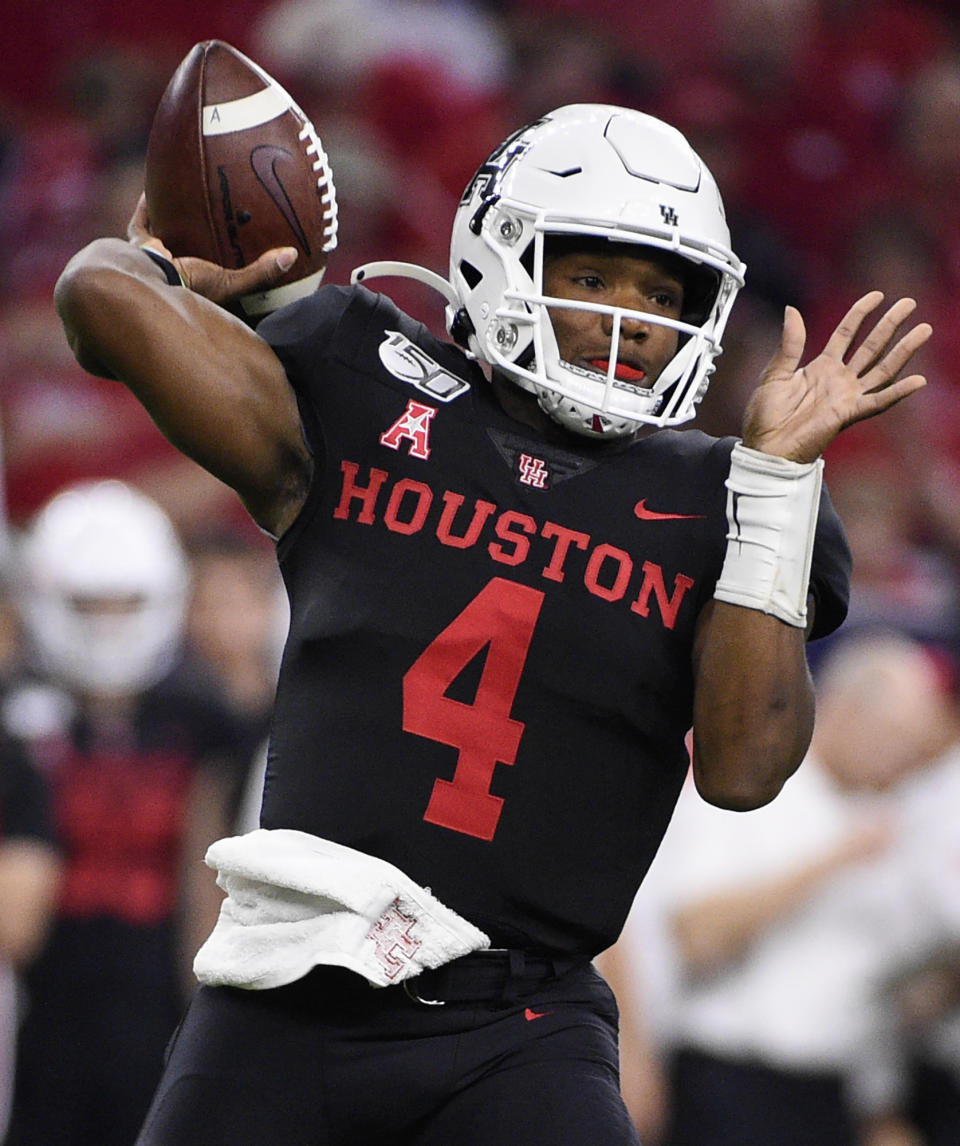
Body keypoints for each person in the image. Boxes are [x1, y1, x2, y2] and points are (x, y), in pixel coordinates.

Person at [52, 103, 929, 1145]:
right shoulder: (367, 382)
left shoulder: (726, 496)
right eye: (593, 276)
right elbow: (99, 299)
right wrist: (158, 267)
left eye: (662, 292)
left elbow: (745, 770)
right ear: (501, 253)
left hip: (522, 1025)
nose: (632, 316)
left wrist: (778, 487)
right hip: (289, 996)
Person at [606, 631, 959, 1146]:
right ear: (839, 709)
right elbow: (695, 936)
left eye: (909, 748)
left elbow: (884, 986)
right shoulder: (744, 791)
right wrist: (831, 862)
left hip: (834, 1088)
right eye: (890, 739)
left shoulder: (890, 820)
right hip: (730, 1077)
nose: (895, 762)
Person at [6, 480, 248, 1146]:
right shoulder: (13, 721)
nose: (108, 623)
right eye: (88, 604)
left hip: (163, 1019)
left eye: (125, 603)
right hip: (40, 1024)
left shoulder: (212, 722)